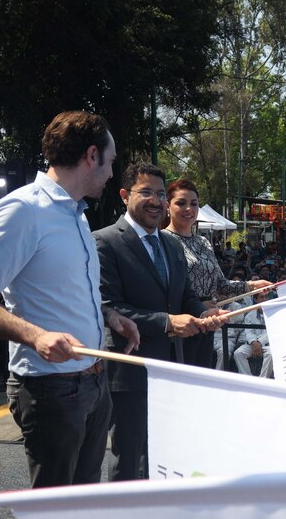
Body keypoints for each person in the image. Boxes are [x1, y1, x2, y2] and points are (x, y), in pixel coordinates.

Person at [0, 111, 138, 489]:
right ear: (91, 156)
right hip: (51, 389)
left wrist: (108, 315)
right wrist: (36, 336)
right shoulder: (23, 210)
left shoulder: (76, 213)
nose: (111, 173)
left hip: (93, 380)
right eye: (110, 161)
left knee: (83, 503)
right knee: (55, 508)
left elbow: (65, 290)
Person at [94, 162, 226, 481]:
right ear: (124, 195)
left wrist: (203, 313)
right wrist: (167, 322)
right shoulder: (104, 241)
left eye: (160, 194)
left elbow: (185, 296)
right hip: (131, 369)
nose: (155, 201)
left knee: (165, 454)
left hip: (172, 368)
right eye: (146, 193)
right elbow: (108, 306)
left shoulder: (171, 244)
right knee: (130, 458)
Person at [161, 179, 272, 368]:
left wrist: (252, 286)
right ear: (167, 206)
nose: (188, 209)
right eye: (181, 203)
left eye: (194, 204)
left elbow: (220, 284)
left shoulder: (203, 242)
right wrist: (197, 307)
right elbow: (163, 289)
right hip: (181, 328)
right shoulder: (162, 240)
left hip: (208, 325)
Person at [233, 290, 273, 378]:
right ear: (255, 300)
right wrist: (255, 343)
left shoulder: (273, 313)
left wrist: (259, 342)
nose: (265, 299)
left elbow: (271, 332)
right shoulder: (250, 315)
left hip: (268, 345)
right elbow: (248, 332)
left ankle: (262, 380)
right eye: (262, 297)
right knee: (238, 353)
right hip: (252, 344)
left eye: (266, 297)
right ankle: (248, 380)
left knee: (271, 354)